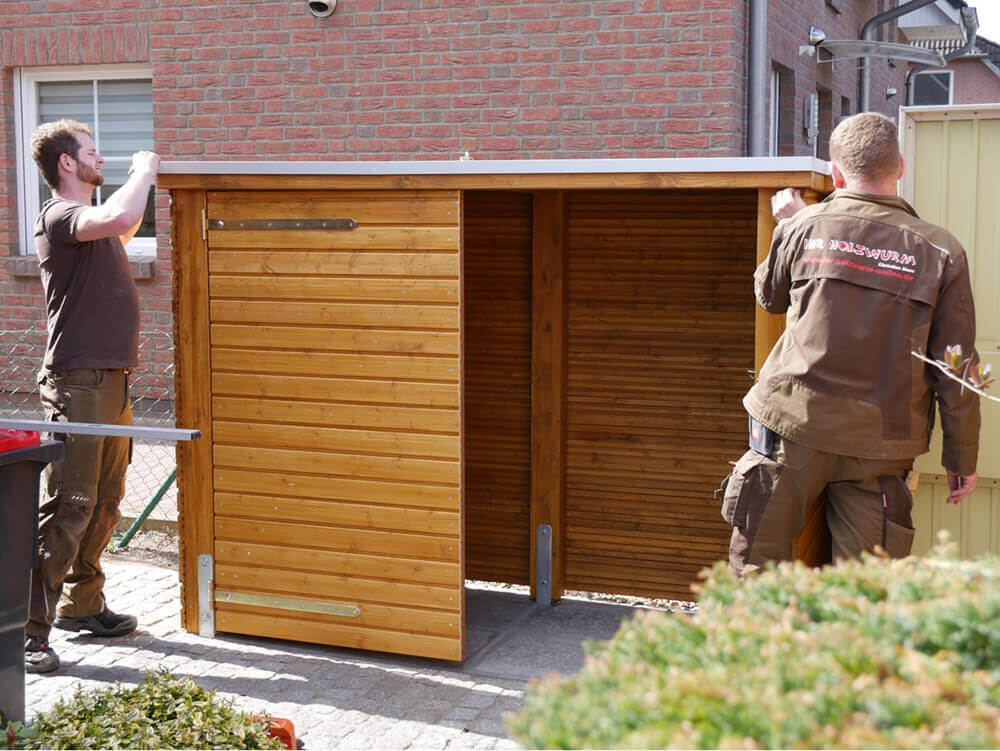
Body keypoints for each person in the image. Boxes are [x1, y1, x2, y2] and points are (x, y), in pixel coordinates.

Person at [720, 112, 980, 576]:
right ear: (899, 166)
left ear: (837, 173)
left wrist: (791, 225)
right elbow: (955, 366)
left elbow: (769, 298)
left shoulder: (802, 225)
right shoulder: (941, 251)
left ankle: (755, 650)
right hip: (880, 446)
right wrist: (961, 459)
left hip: (792, 427)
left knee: (755, 571)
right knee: (865, 590)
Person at [25, 119, 159, 673]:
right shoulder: (61, 216)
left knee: (104, 502)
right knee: (70, 506)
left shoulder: (93, 229)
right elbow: (126, 215)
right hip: (78, 383)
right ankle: (26, 632)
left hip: (112, 381)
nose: (99, 156)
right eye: (90, 151)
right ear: (66, 164)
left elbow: (120, 230)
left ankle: (83, 607)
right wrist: (144, 171)